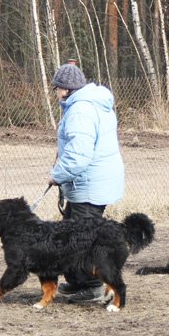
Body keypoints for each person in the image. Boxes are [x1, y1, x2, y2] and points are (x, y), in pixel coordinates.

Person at [48, 60, 125, 303]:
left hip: (89, 184)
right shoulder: (94, 103)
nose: (56, 93)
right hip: (93, 181)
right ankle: (78, 282)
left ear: (67, 89)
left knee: (81, 241)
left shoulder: (81, 110)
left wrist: (56, 175)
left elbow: (79, 155)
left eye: (58, 88)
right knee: (72, 233)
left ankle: (91, 286)